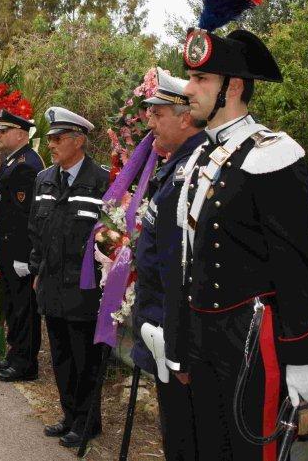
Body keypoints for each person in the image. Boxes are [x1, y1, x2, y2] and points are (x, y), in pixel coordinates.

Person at [174, 0, 308, 461]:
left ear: (231, 87)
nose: (187, 88)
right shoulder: (198, 156)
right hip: (204, 334)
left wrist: (303, 355)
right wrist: (181, 338)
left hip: (251, 341)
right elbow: (189, 258)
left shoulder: (273, 154)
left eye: (198, 79)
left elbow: (295, 266)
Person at [131, 69, 205, 460]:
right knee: (176, 436)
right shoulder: (174, 166)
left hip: (175, 335)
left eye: (158, 113)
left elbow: (184, 267)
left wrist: (175, 342)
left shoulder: (194, 171)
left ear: (185, 116)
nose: (150, 121)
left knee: (185, 439)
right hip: (163, 329)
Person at [28, 106, 110, 448]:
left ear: (79, 141)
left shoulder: (103, 180)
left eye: (58, 139)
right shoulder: (44, 178)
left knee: (85, 359)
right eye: (49, 139)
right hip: (51, 284)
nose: (51, 145)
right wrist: (36, 270)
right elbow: (35, 229)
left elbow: (113, 237)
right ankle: (69, 414)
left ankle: (87, 422)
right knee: (61, 356)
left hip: (84, 289)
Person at [0, 111, 45, 383]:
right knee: (13, 305)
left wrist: (25, 256)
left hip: (19, 251)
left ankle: (26, 363)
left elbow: (28, 216)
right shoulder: (12, 160)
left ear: (21, 133)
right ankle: (15, 354)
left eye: (4, 131)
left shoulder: (28, 163)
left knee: (25, 308)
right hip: (8, 248)